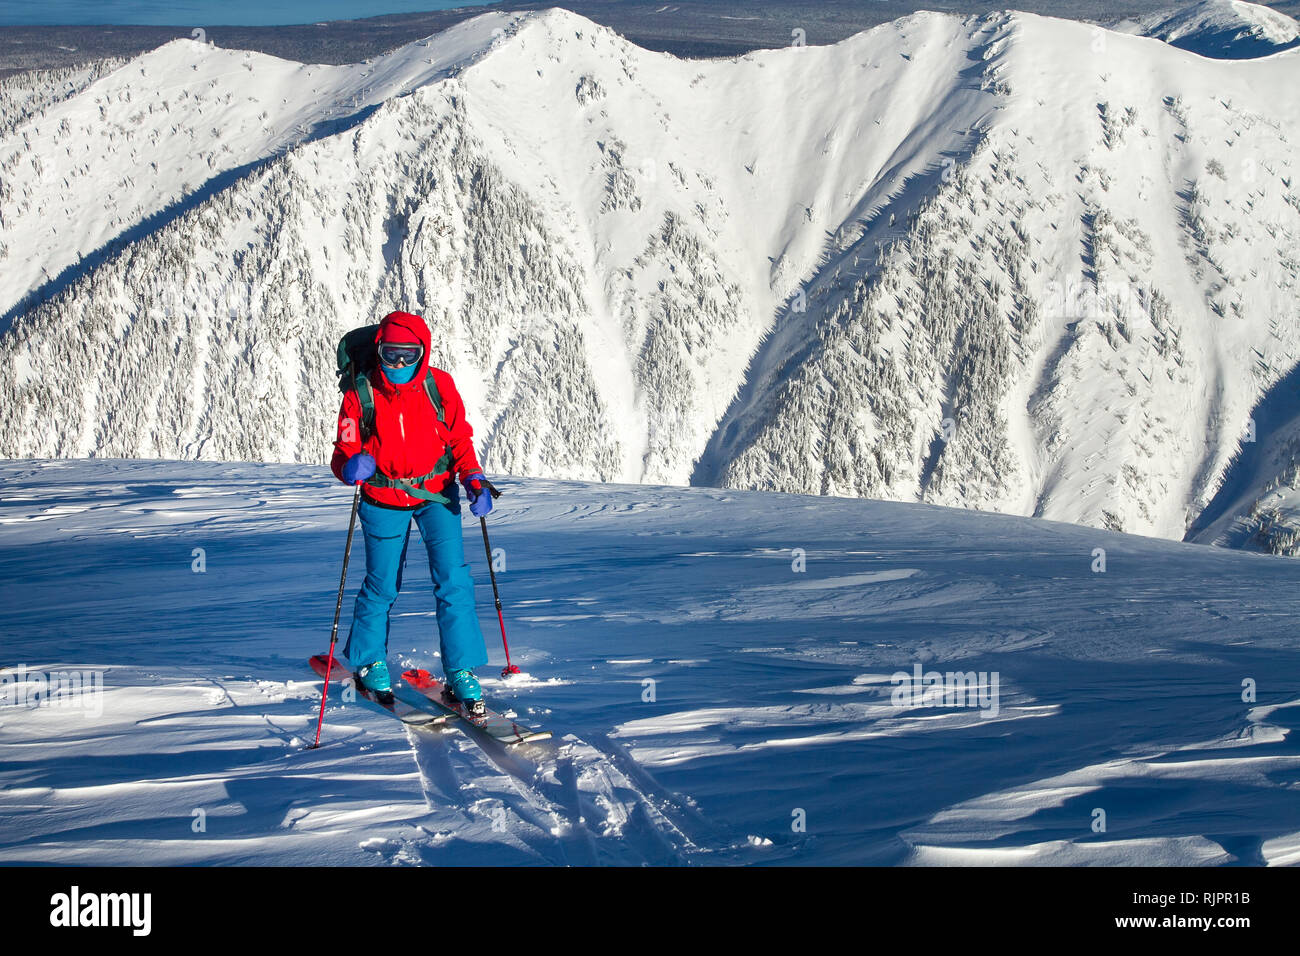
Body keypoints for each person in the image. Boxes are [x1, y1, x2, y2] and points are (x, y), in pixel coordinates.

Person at [330, 310, 494, 710]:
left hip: (436, 494)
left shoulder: (440, 386)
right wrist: (350, 466)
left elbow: (459, 438)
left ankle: (461, 670)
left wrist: (473, 478)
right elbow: (344, 450)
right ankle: (368, 662)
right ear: (379, 351)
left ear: (424, 352)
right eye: (391, 354)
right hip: (382, 497)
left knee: (454, 580)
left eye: (408, 354)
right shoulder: (360, 392)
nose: (399, 363)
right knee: (382, 584)